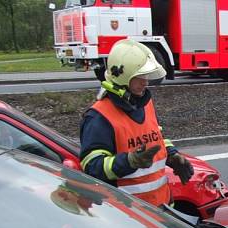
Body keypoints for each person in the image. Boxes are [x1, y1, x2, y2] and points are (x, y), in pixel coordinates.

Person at [79, 39, 193, 208]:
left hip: (163, 209)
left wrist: (172, 154)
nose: (145, 82)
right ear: (123, 76)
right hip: (132, 217)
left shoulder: (144, 103)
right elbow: (92, 166)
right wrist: (129, 162)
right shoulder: (99, 117)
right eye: (140, 76)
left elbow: (155, 136)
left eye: (146, 76)